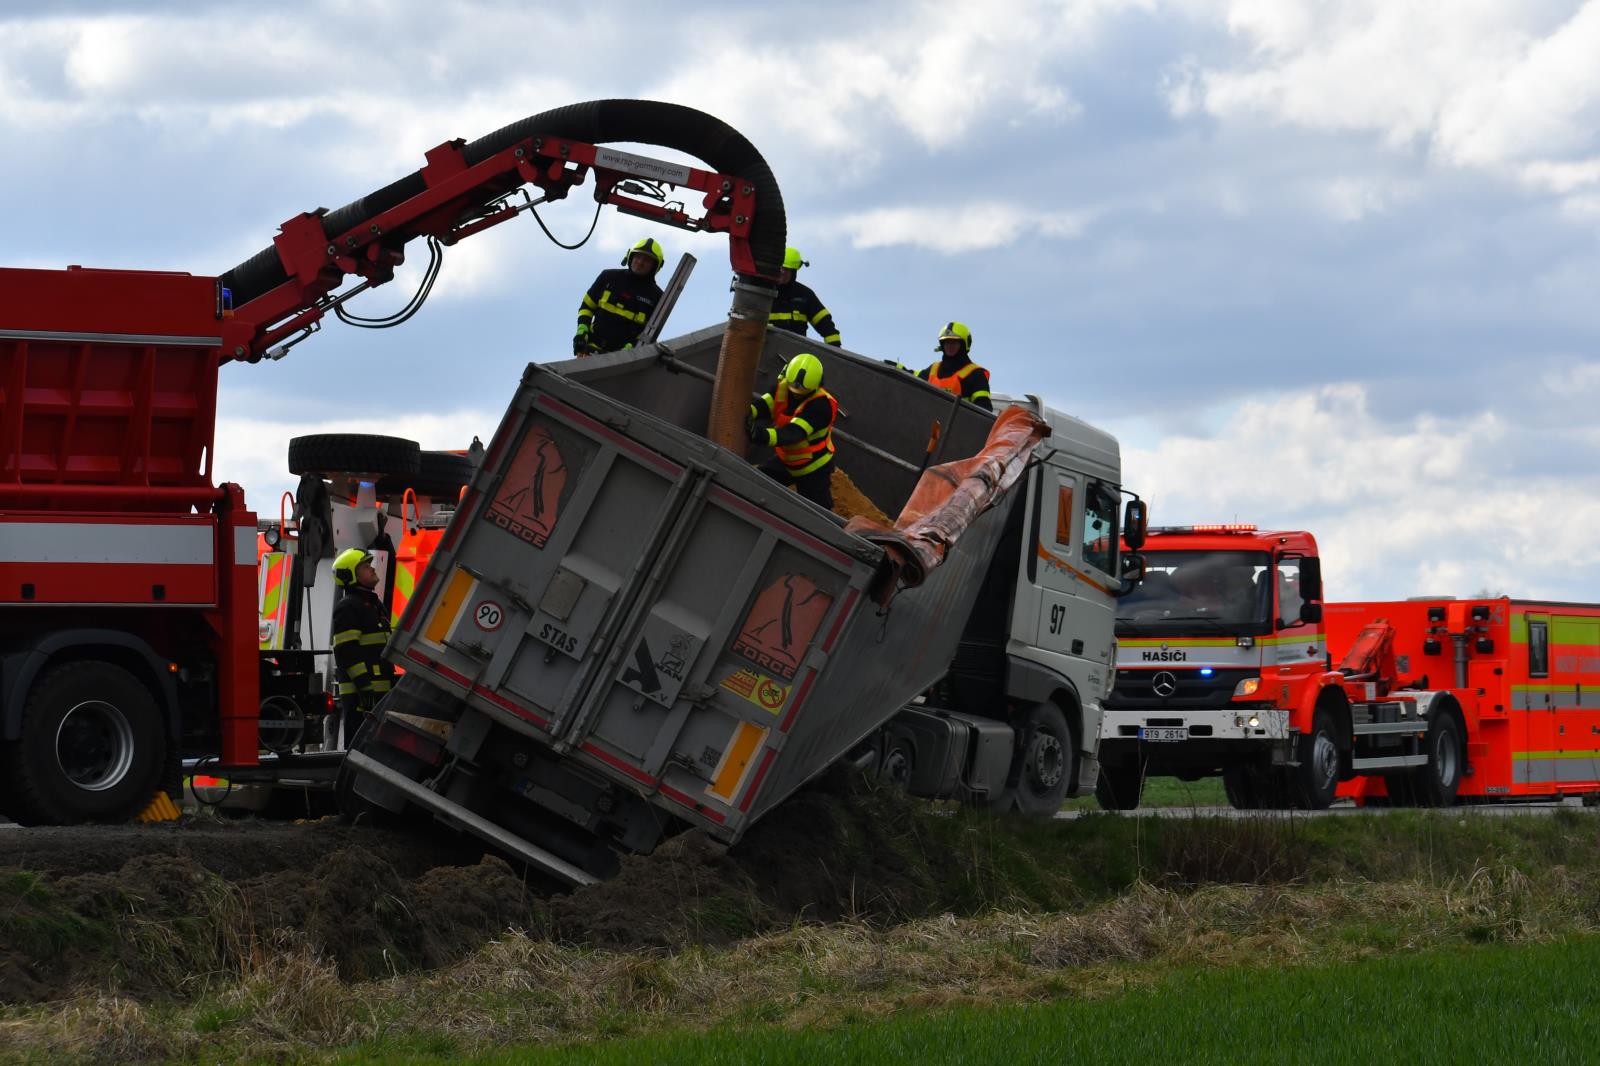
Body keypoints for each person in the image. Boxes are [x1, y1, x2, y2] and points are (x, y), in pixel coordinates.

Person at [747, 353, 838, 510]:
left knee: (818, 514)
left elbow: (793, 433)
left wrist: (760, 435)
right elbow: (764, 405)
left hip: (813, 468)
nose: (795, 394)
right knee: (755, 484)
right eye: (793, 388)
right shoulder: (784, 388)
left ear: (816, 386)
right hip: (786, 461)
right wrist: (748, 412)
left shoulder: (822, 406)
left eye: (802, 391)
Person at [330, 547, 394, 746]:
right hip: (361, 697)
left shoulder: (374, 604)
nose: (372, 569)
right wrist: (364, 687)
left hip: (380, 693)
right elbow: (346, 652)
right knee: (359, 748)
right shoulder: (348, 607)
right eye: (365, 567)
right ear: (350, 575)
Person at [574, 238, 664, 356]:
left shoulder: (657, 296)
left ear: (655, 266)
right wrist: (582, 331)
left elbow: (649, 333)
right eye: (638, 257)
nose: (640, 262)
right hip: (590, 350)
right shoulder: (607, 277)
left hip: (623, 360)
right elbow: (587, 307)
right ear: (629, 257)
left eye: (646, 260)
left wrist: (632, 347)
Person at [767, 247, 841, 345]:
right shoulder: (761, 290)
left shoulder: (805, 295)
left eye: (787, 269)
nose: (782, 271)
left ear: (794, 272)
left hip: (794, 354)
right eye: (780, 267)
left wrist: (834, 354)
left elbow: (826, 326)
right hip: (760, 350)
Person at [917, 321, 992, 411]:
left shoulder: (976, 374)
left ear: (964, 345)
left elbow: (984, 410)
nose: (949, 346)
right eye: (947, 342)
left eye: (954, 342)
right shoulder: (933, 369)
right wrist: (895, 366)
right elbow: (911, 377)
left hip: (959, 424)